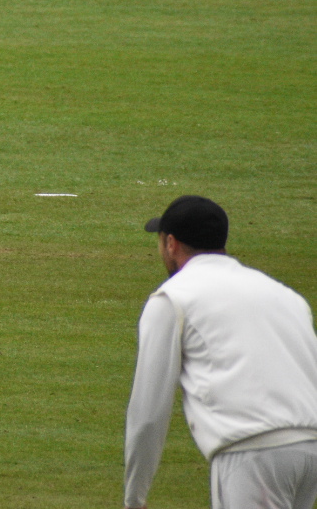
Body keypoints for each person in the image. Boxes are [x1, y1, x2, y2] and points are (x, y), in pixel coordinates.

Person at [124, 195, 317, 509]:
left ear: (170, 243)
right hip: (310, 450)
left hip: (252, 453)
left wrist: (134, 498)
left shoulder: (173, 298)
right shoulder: (286, 296)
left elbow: (148, 412)